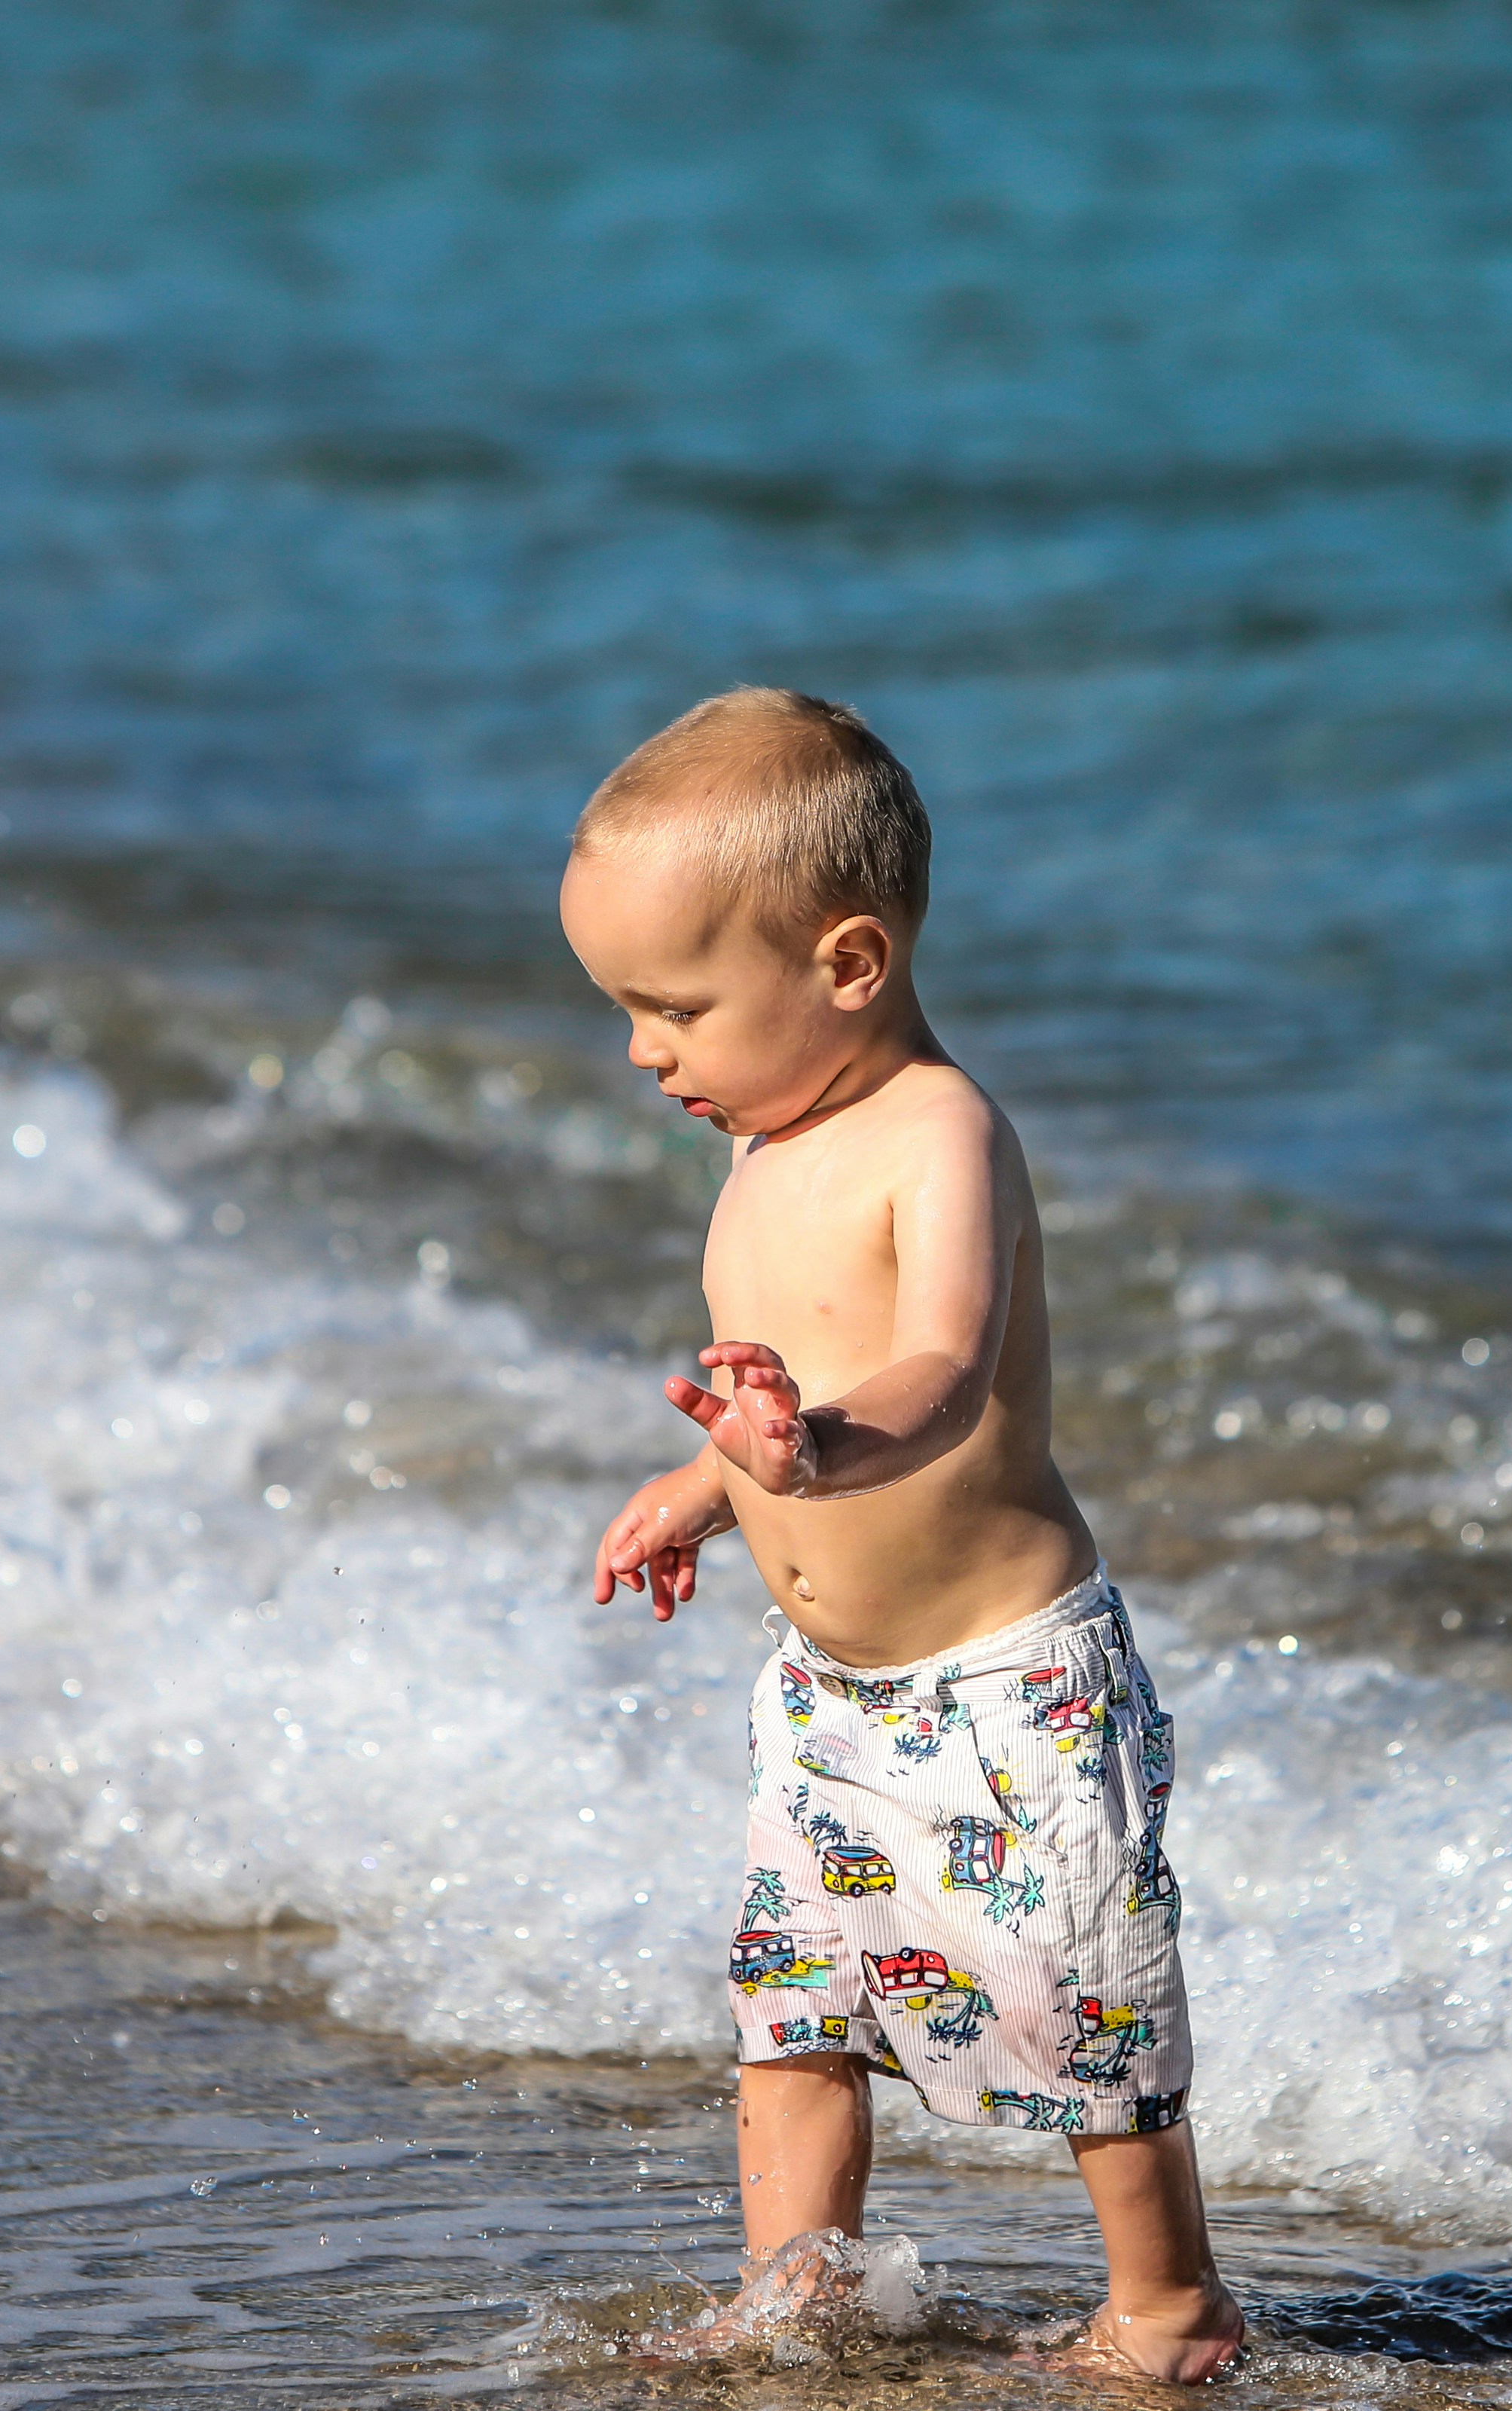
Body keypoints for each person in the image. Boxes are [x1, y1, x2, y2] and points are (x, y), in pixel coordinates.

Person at [560, 687, 1245, 2382]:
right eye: (628, 1010)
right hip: (828, 1694)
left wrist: (811, 1443)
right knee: (792, 2007)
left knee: (1086, 2005)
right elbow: (789, 1398)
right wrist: (717, 1485)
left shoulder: (937, 1132)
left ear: (847, 964)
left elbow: (933, 1372)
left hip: (1006, 1685)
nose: (645, 1050)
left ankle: (1166, 2308)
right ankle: (798, 2281)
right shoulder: (765, 1141)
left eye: (675, 1006)